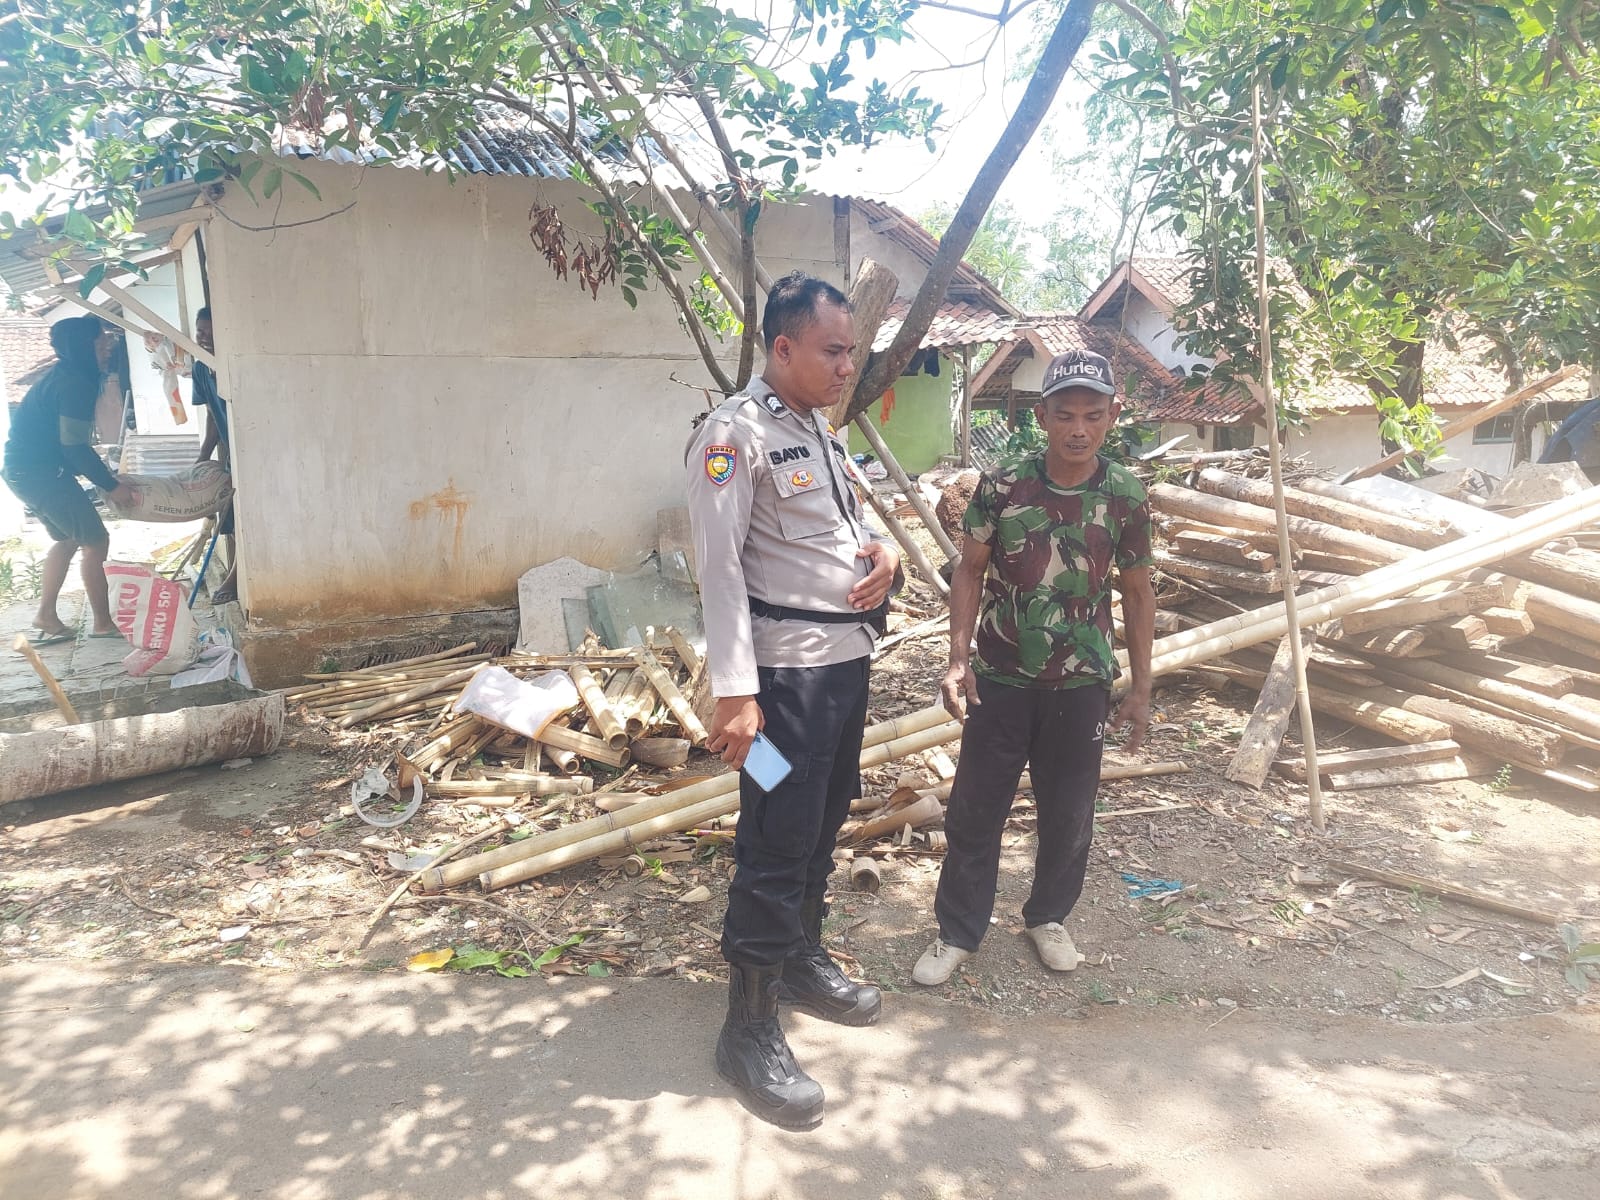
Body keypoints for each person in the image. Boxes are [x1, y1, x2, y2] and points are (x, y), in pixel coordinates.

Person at [686, 271, 900, 1129]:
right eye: (834, 351)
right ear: (782, 347)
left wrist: (884, 552)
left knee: (822, 819)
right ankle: (746, 1027)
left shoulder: (815, 430)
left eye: (852, 351)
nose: (848, 366)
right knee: (776, 834)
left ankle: (800, 959)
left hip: (842, 671)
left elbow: (844, 528)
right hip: (780, 690)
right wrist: (735, 694)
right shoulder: (731, 435)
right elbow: (718, 569)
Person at [911, 348, 1155, 986]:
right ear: (1042, 417)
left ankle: (1048, 917)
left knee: (1069, 811)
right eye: (1066, 414)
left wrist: (1141, 687)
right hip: (1000, 676)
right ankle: (958, 931)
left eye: (1093, 415)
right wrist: (957, 659)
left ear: (1113, 416)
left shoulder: (1125, 494)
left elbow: (1137, 592)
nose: (1079, 429)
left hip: (1082, 681)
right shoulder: (1003, 486)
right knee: (975, 809)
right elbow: (969, 571)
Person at [2, 316, 134, 644]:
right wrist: (111, 485)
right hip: (42, 474)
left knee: (68, 538)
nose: (108, 346)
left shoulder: (64, 375)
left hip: (23, 471)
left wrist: (103, 477)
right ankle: (102, 623)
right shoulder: (74, 383)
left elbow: (69, 445)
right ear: (82, 346)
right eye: (101, 341)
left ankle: (46, 615)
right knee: (96, 541)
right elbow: (74, 446)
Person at [191, 306, 238, 602]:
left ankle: (235, 577)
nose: (205, 337)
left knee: (243, 516)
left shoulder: (233, 365)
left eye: (211, 332)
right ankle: (236, 572)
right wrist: (204, 457)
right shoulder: (200, 369)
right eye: (200, 332)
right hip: (232, 453)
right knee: (230, 515)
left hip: (252, 451)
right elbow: (212, 415)